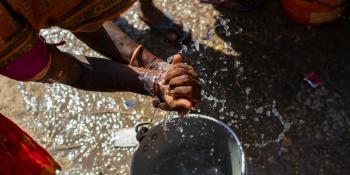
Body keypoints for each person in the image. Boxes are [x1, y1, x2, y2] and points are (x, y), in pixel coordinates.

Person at [0, 0, 201, 174]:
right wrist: (150, 81)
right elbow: (76, 71)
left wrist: (157, 72)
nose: (115, 19)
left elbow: (87, 17)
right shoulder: (13, 50)